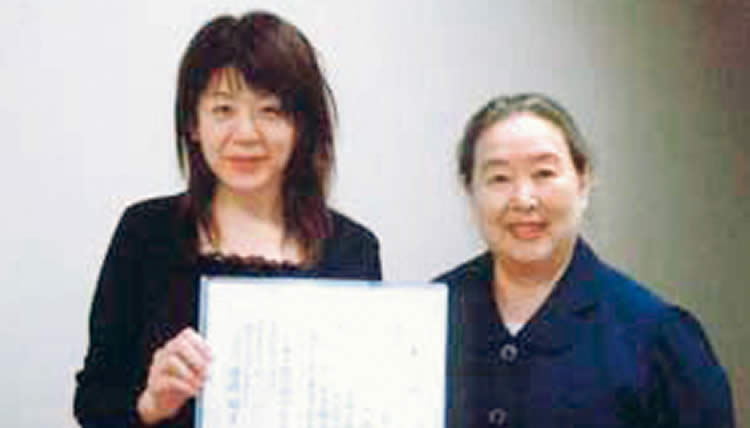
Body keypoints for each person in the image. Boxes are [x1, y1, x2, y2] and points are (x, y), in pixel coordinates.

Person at [74, 11, 381, 427]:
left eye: (271, 111)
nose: (246, 133)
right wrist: (150, 403)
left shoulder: (352, 248)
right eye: (223, 109)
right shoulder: (145, 233)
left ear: (302, 126)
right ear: (193, 123)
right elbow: (93, 401)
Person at [436, 93, 734, 427]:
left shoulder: (656, 336)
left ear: (583, 181)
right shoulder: (428, 316)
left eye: (543, 173)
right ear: (470, 190)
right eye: (499, 178)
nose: (523, 199)